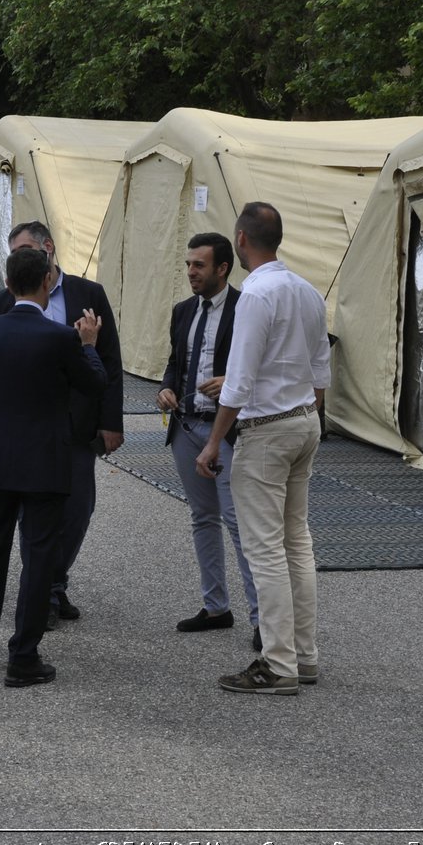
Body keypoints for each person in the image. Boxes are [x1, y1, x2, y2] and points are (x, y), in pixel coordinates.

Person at [0, 247, 107, 687]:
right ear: (47, 283)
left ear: (9, 284)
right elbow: (93, 385)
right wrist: (89, 345)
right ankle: (23, 655)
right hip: (45, 459)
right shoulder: (60, 338)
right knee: (38, 557)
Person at [196, 202, 329, 696]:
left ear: (242, 241)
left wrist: (213, 443)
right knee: (297, 542)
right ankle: (304, 655)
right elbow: (320, 373)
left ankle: (277, 663)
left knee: (266, 549)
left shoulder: (255, 294)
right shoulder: (307, 290)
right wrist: (303, 414)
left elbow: (239, 382)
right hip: (303, 422)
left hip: (268, 429)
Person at [0, 221, 123, 627]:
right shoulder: (2, 302)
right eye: (13, 253)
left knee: (78, 510)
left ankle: (53, 582)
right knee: (36, 515)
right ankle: (41, 594)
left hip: (77, 423)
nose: (19, 259)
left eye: (26, 249)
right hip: (27, 428)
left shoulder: (88, 294)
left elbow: (111, 362)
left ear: (48, 248)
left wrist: (110, 421)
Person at [157, 232, 260, 648]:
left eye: (198, 265)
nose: (190, 273)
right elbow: (174, 362)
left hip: (228, 430)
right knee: (202, 518)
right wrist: (166, 388)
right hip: (186, 427)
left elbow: (258, 366)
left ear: (222, 268)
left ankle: (261, 620)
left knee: (238, 523)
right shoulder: (183, 311)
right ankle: (216, 606)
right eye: (187, 265)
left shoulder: (244, 309)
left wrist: (233, 384)